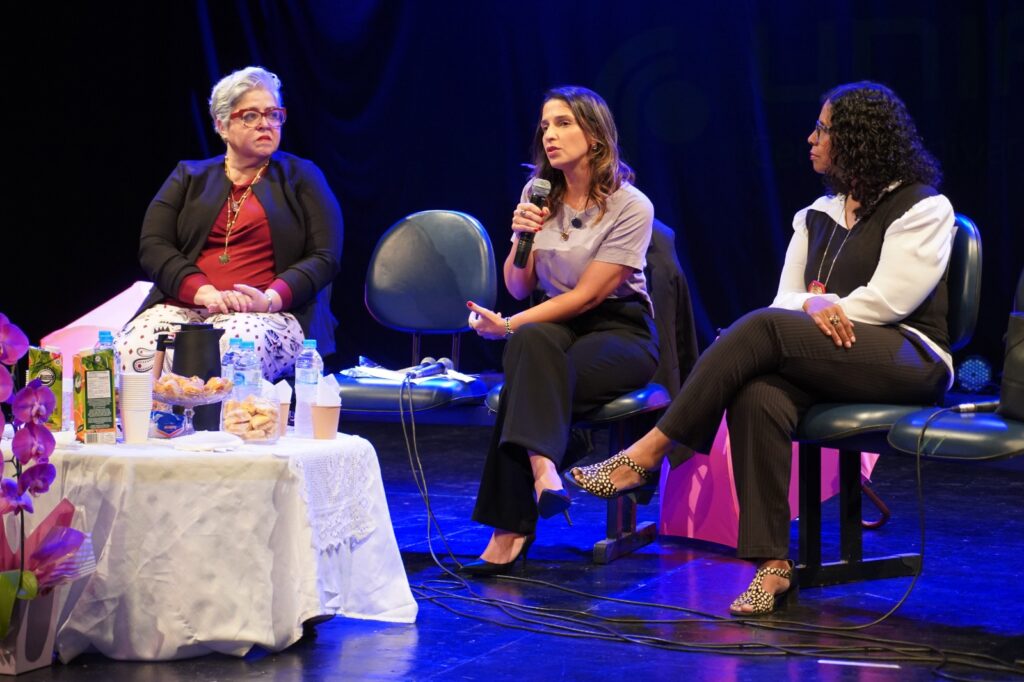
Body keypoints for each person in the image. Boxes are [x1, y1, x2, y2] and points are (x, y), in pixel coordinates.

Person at [567, 81, 955, 615]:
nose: (811, 138)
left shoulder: (923, 208)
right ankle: (772, 566)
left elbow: (891, 300)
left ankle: (650, 451)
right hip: (833, 353)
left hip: (908, 356)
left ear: (858, 138)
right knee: (759, 391)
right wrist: (811, 308)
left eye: (823, 129)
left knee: (761, 330)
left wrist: (816, 307)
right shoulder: (815, 215)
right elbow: (787, 297)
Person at [462, 86, 659, 574]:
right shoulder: (538, 193)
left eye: (564, 123)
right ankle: (545, 471)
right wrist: (523, 236)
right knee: (531, 342)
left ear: (595, 135)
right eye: (546, 124)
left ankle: (510, 529)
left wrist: (506, 326)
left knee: (523, 378)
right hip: (554, 324)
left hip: (621, 328)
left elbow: (591, 295)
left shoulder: (631, 205)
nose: (550, 134)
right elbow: (516, 284)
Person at [115, 66, 342, 381]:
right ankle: (162, 428)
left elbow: (324, 256)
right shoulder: (188, 176)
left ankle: (221, 429)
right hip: (186, 307)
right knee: (133, 350)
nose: (266, 123)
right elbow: (154, 246)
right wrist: (204, 292)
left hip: (268, 314)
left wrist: (269, 298)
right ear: (222, 125)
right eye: (251, 116)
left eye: (273, 114)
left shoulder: (302, 176)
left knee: (234, 351)